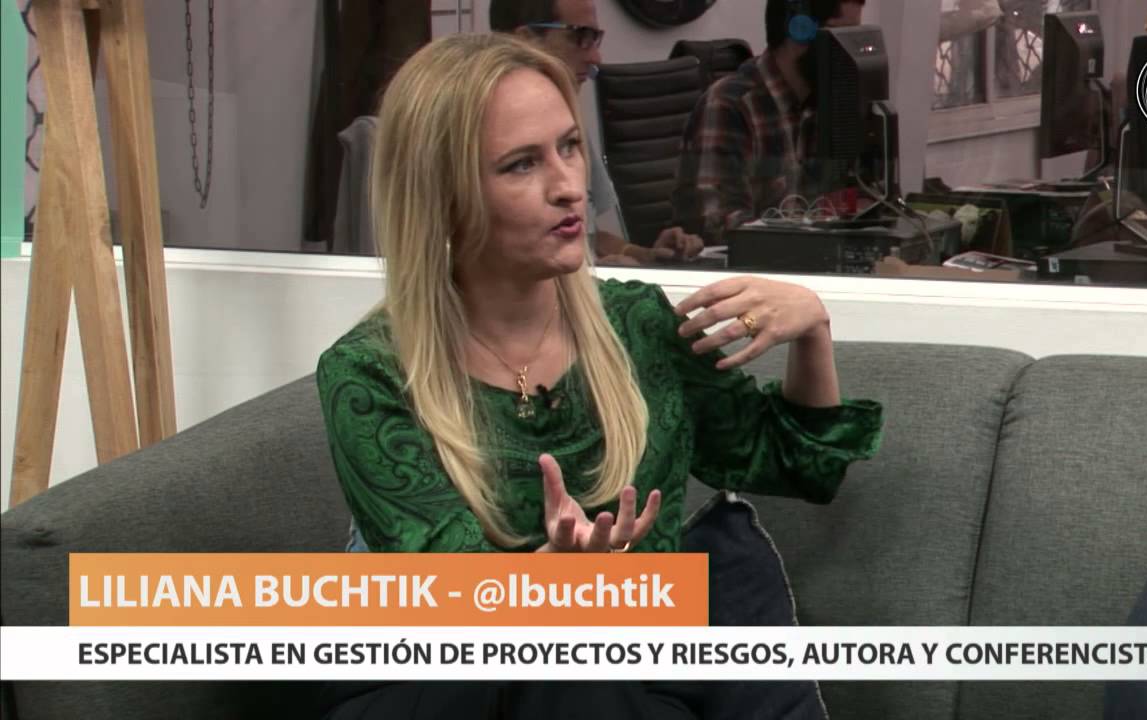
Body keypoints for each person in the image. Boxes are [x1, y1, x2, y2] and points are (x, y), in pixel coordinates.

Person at [316, 33, 882, 717]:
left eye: (569, 147)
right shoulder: (368, 373)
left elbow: (802, 465)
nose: (568, 187)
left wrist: (813, 328)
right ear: (444, 193)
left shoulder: (637, 326)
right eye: (521, 164)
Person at [489, 0, 704, 266]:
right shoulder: (484, 133)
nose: (596, 59)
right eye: (580, 37)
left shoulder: (564, 122)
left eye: (568, 147)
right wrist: (593, 273)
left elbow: (587, 235)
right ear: (524, 42)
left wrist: (642, 254)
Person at [674, 0, 866, 243]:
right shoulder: (730, 105)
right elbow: (717, 224)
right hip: (749, 264)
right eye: (842, 35)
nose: (851, 53)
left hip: (815, 259)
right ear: (800, 29)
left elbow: (858, 198)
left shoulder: (830, 103)